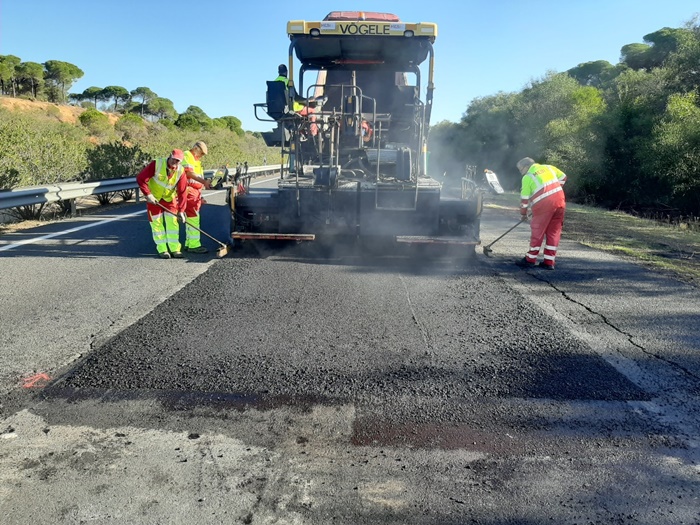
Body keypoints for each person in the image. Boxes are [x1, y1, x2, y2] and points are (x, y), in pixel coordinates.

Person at [515, 157, 567, 270]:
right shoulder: (548, 167)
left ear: (526, 166)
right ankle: (549, 262)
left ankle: (530, 259)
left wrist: (523, 213)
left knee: (537, 231)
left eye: (520, 169)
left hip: (543, 206)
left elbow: (524, 199)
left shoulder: (527, 177)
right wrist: (555, 190)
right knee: (554, 232)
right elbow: (563, 177)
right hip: (560, 202)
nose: (520, 172)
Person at [136, 149, 188, 259]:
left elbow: (182, 192)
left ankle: (175, 249)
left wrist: (182, 210)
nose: (175, 162)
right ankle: (162, 249)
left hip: (169, 199)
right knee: (157, 224)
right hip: (154, 199)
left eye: (178, 161)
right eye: (174, 159)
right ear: (170, 156)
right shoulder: (157, 164)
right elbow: (141, 178)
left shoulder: (181, 171)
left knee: (173, 224)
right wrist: (148, 194)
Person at [181, 141, 211, 254]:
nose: (202, 156)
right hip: (189, 191)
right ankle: (194, 245)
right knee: (193, 218)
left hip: (195, 192)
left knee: (191, 218)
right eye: (201, 153)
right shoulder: (187, 156)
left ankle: (189, 244)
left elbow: (197, 178)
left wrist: (201, 195)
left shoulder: (197, 161)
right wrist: (204, 181)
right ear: (195, 148)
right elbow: (188, 173)